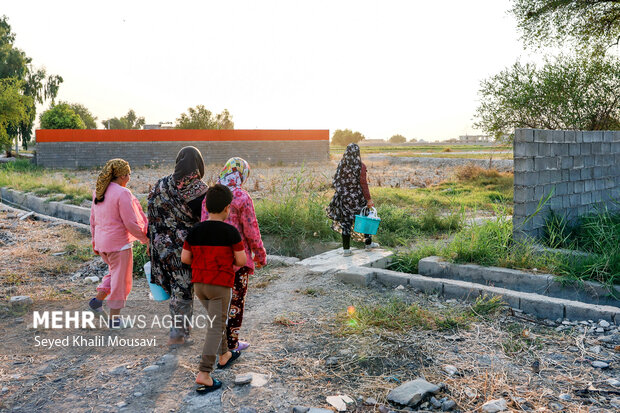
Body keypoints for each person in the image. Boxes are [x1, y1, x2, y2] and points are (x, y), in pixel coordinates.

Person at [181, 184, 247, 393]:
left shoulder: (195, 230)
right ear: (227, 208)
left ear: (206, 207)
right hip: (220, 285)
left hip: (200, 285)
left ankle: (225, 354)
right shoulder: (231, 232)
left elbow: (185, 258)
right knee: (216, 326)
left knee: (216, 320)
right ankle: (204, 373)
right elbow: (241, 259)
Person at [201, 157, 267, 355]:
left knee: (218, 304)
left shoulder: (209, 196)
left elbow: (204, 225)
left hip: (213, 260)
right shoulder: (242, 197)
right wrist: (260, 255)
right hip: (238, 260)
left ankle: (218, 343)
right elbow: (252, 231)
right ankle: (231, 344)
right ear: (242, 174)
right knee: (236, 302)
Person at [147, 146, 208, 345]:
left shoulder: (160, 183)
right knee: (183, 288)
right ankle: (178, 334)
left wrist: (151, 242)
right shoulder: (197, 189)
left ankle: (178, 331)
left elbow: (151, 214)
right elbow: (205, 220)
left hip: (160, 247)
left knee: (176, 287)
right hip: (183, 249)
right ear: (198, 164)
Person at [88, 159, 148, 328]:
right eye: (129, 173)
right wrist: (145, 239)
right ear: (122, 175)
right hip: (118, 245)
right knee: (121, 282)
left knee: (114, 274)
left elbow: (93, 220)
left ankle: (96, 303)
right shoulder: (123, 193)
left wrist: (95, 242)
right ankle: (115, 321)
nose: (129, 177)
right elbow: (130, 223)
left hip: (103, 243)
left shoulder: (98, 192)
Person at [327, 143, 379, 256]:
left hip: (343, 198)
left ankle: (346, 250)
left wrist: (343, 192)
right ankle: (368, 245)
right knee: (365, 219)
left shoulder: (341, 165)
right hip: (357, 198)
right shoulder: (360, 166)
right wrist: (369, 199)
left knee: (346, 223)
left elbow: (336, 181)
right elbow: (363, 184)